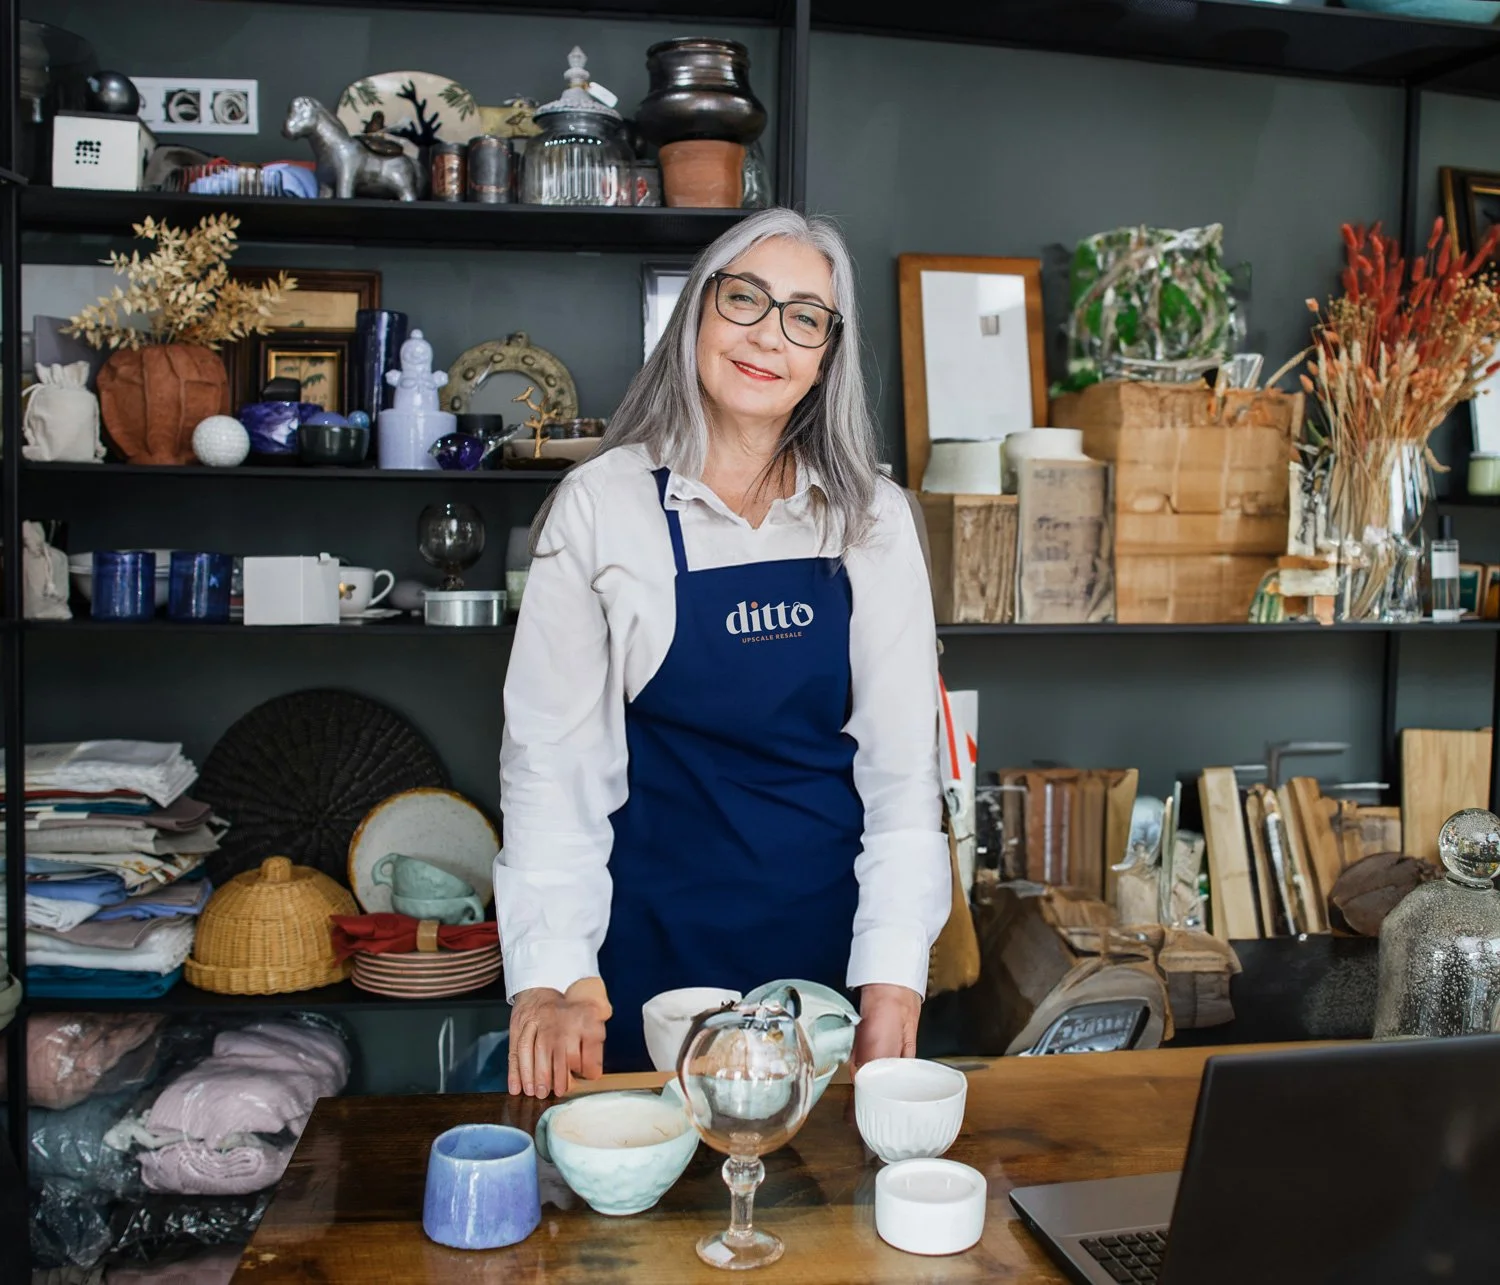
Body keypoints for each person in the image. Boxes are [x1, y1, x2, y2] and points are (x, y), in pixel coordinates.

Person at [495, 206, 950, 1097]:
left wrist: (893, 969)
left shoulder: (874, 520)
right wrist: (552, 976)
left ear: (826, 354)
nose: (767, 336)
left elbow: (903, 778)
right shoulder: (600, 507)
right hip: (646, 959)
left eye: (803, 317)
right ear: (699, 312)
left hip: (824, 969)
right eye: (745, 299)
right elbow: (553, 768)